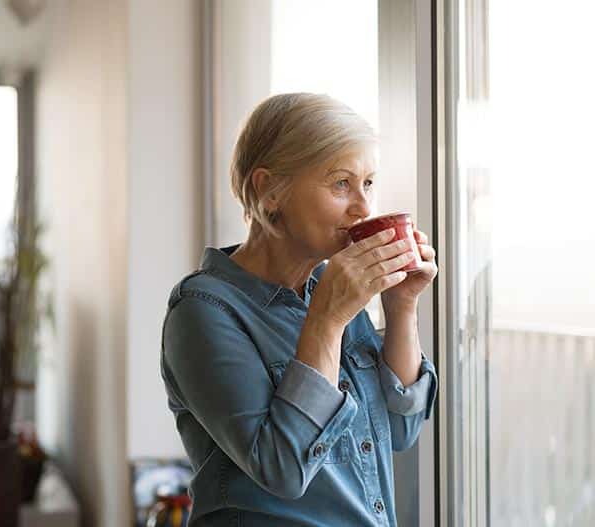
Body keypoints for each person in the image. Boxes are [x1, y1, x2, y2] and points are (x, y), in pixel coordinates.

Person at [160, 93, 439, 526]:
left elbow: (400, 430)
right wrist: (326, 321)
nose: (363, 207)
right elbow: (283, 470)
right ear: (269, 190)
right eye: (341, 184)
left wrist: (402, 305)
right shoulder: (203, 311)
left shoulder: (330, 291)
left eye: (367, 184)